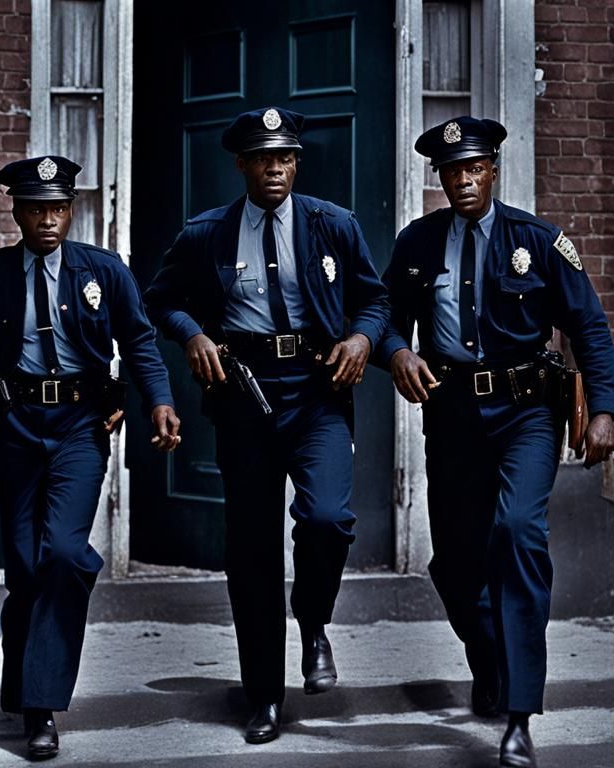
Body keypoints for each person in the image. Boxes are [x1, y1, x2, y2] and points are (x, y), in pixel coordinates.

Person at [376, 116, 614, 768]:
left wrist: (604, 412)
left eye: (474, 168)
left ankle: (518, 712)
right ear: (441, 177)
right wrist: (397, 350)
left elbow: (588, 326)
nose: (463, 180)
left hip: (526, 414)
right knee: (455, 562)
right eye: (453, 171)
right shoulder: (417, 244)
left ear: (493, 170)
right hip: (451, 413)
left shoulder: (536, 241)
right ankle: (488, 659)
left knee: (516, 533)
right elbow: (381, 317)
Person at [143, 107, 390, 744]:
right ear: (241, 164)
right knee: (251, 548)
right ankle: (263, 696)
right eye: (262, 157)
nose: (274, 167)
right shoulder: (208, 234)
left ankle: (312, 621)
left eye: (285, 157)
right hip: (244, 396)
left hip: (318, 390)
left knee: (327, 518)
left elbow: (375, 296)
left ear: (296, 162)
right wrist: (193, 334)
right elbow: (159, 299)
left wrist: (362, 339)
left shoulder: (331, 224)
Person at [0, 155, 181, 760]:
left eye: (58, 208)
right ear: (17, 211)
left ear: (70, 210)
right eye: (36, 209)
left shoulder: (103, 270)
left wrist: (157, 402)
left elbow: (141, 340)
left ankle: (41, 706)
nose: (48, 221)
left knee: (67, 553)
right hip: (14, 424)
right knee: (24, 565)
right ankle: (24, 690)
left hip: (81, 423)